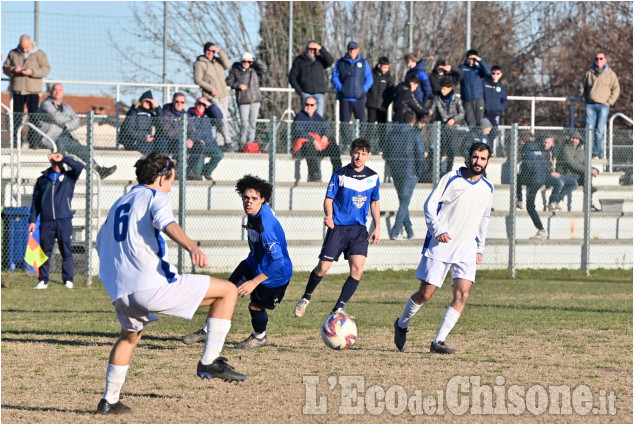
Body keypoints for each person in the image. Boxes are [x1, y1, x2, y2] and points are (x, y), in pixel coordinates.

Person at [95, 153, 245, 415]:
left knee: (129, 338)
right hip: (150, 286)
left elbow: (101, 242)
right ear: (162, 177)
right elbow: (167, 223)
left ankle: (109, 401)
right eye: (172, 178)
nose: (172, 184)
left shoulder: (120, 202)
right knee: (228, 292)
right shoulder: (156, 196)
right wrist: (191, 247)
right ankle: (209, 361)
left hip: (121, 292)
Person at [393, 142, 493, 355]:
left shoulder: (487, 188)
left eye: (483, 159)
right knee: (426, 294)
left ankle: (438, 341)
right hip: (441, 244)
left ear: (488, 161)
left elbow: (484, 218)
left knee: (463, 295)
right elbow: (429, 205)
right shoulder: (451, 178)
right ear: (469, 157)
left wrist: (480, 248)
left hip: (467, 247)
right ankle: (401, 324)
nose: (478, 162)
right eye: (475, 157)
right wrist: (437, 229)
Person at [182, 175, 293, 349]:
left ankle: (259, 336)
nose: (249, 202)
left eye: (254, 199)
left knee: (255, 306)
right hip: (253, 263)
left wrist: (253, 283)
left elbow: (278, 262)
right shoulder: (256, 212)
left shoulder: (266, 227)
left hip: (275, 275)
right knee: (225, 291)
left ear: (263, 200)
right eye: (246, 198)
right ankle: (207, 330)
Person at [293, 138, 380, 318]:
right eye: (356, 152)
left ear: (368, 156)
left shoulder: (373, 177)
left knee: (357, 270)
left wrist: (377, 227)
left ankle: (338, 308)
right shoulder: (340, 174)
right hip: (339, 228)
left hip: (358, 230)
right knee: (323, 267)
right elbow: (329, 199)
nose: (359, 156)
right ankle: (306, 298)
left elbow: (375, 202)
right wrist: (329, 216)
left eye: (363, 153)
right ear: (351, 152)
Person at [28, 152, 84, 290]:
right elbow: (36, 202)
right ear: (51, 164)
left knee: (66, 250)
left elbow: (79, 166)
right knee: (45, 250)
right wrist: (33, 220)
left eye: (59, 163)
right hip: (47, 221)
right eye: (54, 163)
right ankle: (43, 280)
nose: (57, 165)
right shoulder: (42, 180)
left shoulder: (69, 177)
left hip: (64, 220)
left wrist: (63, 157)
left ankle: (68, 279)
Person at [37, 84, 117, 179]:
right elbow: (56, 117)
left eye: (60, 90)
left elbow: (76, 120)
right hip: (53, 137)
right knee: (61, 147)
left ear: (63, 93)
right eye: (55, 89)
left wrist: (66, 125)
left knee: (83, 150)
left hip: (68, 136)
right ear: (51, 92)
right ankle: (59, 176)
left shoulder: (66, 106)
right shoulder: (46, 104)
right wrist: (69, 120)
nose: (57, 92)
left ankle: (99, 170)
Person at [383, 111, 426, 240]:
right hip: (410, 172)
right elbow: (420, 154)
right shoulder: (415, 134)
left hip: (396, 172)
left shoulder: (391, 133)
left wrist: (393, 165)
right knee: (404, 202)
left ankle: (410, 231)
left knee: (403, 201)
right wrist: (419, 172)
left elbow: (385, 154)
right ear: (413, 121)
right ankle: (396, 231)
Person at [2, 34, 51, 146]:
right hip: (17, 90)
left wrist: (32, 72)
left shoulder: (40, 54)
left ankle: (33, 142)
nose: (24, 49)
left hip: (33, 91)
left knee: (34, 116)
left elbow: (46, 69)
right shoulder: (13, 53)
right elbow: (5, 67)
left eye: (26, 47)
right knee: (16, 117)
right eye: (22, 47)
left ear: (31, 44)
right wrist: (13, 69)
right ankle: (15, 142)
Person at [193, 42, 235, 151]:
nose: (210, 53)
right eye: (208, 50)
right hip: (212, 97)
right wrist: (211, 88)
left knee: (222, 120)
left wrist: (219, 51)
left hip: (224, 95)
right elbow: (198, 80)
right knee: (220, 120)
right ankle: (228, 142)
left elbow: (227, 65)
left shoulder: (217, 62)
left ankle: (220, 144)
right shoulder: (200, 63)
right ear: (205, 51)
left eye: (212, 51)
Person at [578, 52, 620, 158]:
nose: (599, 61)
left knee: (600, 130)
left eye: (601, 58)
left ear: (605, 60)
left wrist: (609, 102)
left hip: (603, 106)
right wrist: (584, 98)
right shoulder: (589, 72)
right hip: (590, 105)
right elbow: (581, 86)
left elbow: (616, 89)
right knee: (589, 129)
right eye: (597, 59)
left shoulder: (611, 74)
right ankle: (590, 152)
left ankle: (596, 153)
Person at [331, 41, 373, 146]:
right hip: (345, 98)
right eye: (350, 49)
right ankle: (346, 144)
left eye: (354, 49)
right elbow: (334, 77)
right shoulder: (340, 62)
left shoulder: (364, 63)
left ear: (358, 50)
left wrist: (363, 89)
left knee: (362, 122)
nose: (352, 51)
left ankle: (362, 143)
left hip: (359, 98)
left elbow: (369, 78)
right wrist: (341, 88)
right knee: (344, 122)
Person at [291, 96, 342, 182]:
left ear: (316, 106)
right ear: (304, 105)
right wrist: (313, 140)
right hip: (304, 148)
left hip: (319, 146)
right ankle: (315, 176)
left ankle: (338, 174)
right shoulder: (299, 117)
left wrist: (325, 136)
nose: (309, 107)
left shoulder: (318, 117)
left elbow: (327, 129)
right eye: (307, 104)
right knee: (308, 145)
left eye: (311, 105)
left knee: (333, 144)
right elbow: (298, 132)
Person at [226, 52, 268, 152]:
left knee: (252, 123)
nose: (246, 63)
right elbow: (228, 81)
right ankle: (242, 145)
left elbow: (264, 69)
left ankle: (250, 145)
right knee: (245, 124)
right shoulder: (235, 70)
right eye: (244, 61)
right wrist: (238, 85)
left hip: (255, 100)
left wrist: (255, 60)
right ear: (241, 61)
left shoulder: (254, 69)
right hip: (243, 101)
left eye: (248, 61)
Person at [156, 93, 198, 180]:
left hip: (183, 140)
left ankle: (189, 171)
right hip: (170, 140)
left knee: (199, 146)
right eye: (177, 101)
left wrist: (190, 140)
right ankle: (176, 171)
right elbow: (167, 129)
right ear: (173, 101)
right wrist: (183, 140)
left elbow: (192, 130)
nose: (179, 104)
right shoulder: (166, 111)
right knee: (177, 145)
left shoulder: (185, 114)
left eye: (182, 102)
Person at [288, 40, 334, 118]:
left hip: (319, 94)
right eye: (310, 49)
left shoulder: (320, 60)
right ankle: (307, 131)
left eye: (314, 49)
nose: (312, 51)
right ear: (306, 49)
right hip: (306, 93)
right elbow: (292, 77)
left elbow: (330, 61)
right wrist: (300, 91)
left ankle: (317, 131)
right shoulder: (299, 60)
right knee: (306, 117)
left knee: (318, 118)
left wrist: (321, 48)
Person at [516, 136, 550, 239]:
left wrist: (525, 177)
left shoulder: (526, 149)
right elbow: (546, 166)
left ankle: (541, 229)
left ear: (523, 141)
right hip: (541, 179)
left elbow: (528, 166)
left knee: (530, 206)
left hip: (533, 179)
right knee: (518, 179)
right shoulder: (538, 149)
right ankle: (520, 200)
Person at [557, 132, 600, 211]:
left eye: (577, 139)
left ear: (580, 140)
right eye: (573, 138)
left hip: (577, 174)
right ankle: (589, 189)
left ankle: (589, 204)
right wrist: (589, 170)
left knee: (587, 175)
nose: (574, 140)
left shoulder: (581, 150)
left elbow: (586, 163)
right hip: (566, 174)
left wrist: (595, 169)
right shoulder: (565, 149)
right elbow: (572, 165)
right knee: (587, 174)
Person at [431, 77, 466, 173]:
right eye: (441, 88)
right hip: (440, 128)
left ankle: (448, 171)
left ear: (450, 88)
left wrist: (453, 120)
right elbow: (432, 109)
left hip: (452, 129)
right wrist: (428, 112)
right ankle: (436, 171)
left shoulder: (456, 99)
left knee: (451, 150)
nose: (442, 91)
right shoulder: (437, 98)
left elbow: (462, 113)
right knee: (439, 150)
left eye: (444, 89)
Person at [186, 97, 225, 181]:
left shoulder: (208, 115)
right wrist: (196, 140)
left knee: (219, 154)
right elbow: (187, 131)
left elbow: (219, 116)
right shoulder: (189, 115)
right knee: (197, 171)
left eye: (203, 104)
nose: (201, 106)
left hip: (209, 144)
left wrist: (210, 104)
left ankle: (207, 171)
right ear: (195, 104)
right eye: (199, 103)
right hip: (196, 146)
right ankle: (198, 173)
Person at [543, 136, 578, 211]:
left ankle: (557, 201)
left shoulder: (554, 151)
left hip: (555, 174)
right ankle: (551, 202)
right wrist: (550, 173)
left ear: (552, 143)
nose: (545, 144)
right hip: (546, 176)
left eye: (547, 143)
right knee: (560, 183)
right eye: (545, 142)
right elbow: (541, 167)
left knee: (574, 183)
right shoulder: (542, 153)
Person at [457, 49, 491, 127]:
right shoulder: (462, 68)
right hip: (467, 100)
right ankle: (473, 138)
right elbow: (456, 74)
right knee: (470, 123)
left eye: (473, 59)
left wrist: (480, 60)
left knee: (480, 122)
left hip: (478, 99)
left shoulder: (479, 68)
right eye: (470, 58)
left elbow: (488, 73)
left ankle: (480, 138)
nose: (471, 61)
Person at [482, 65, 508, 144]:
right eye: (493, 73)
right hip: (484, 114)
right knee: (485, 132)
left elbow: (504, 100)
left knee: (493, 133)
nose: (495, 75)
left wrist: (499, 108)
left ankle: (489, 150)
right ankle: (485, 149)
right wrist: (481, 109)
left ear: (500, 74)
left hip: (495, 115)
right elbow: (479, 98)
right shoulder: (485, 84)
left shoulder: (501, 87)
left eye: (497, 73)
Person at [366, 57, 395, 124]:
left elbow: (391, 93)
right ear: (379, 65)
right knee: (371, 125)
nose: (386, 69)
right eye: (384, 67)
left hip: (382, 106)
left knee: (382, 126)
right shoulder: (371, 75)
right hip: (372, 104)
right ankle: (370, 135)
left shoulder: (389, 78)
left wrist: (385, 105)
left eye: (388, 67)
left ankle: (382, 135)